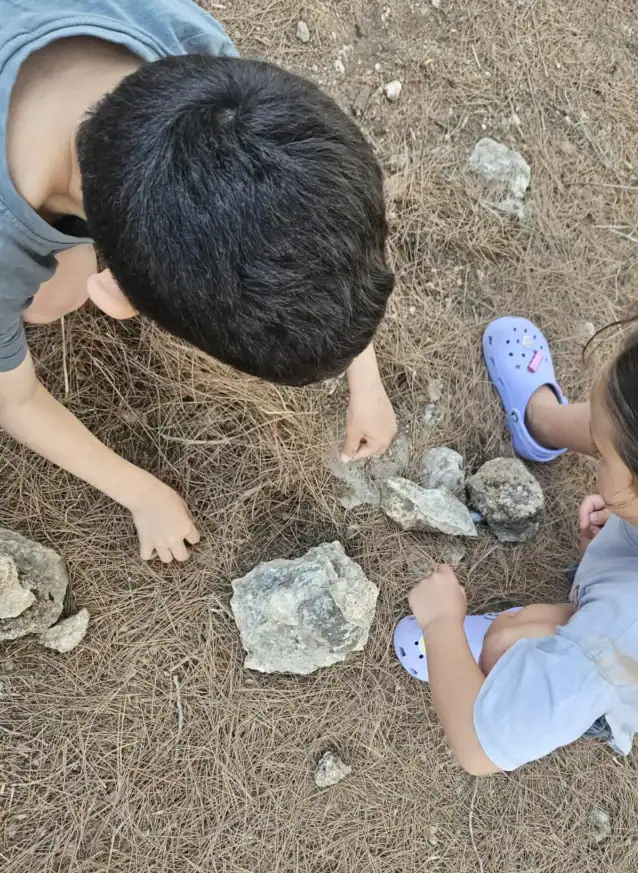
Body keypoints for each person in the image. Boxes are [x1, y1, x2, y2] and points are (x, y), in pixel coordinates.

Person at [0, 0, 396, 563]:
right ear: (113, 295)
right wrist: (142, 494)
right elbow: (13, 401)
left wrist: (365, 373)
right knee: (47, 301)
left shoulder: (203, 74)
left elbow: (305, 224)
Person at [395, 299, 638, 774]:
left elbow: (477, 750)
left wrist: (441, 623)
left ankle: (487, 668)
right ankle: (542, 423)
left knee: (507, 640)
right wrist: (626, 527)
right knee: (629, 426)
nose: (594, 458)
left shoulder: (622, 636)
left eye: (601, 453)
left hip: (629, 667)